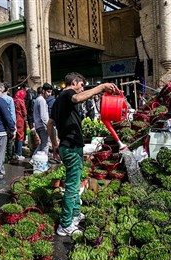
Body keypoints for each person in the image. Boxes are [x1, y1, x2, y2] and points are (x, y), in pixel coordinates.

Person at [47, 72, 118, 236]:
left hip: (67, 146)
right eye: (82, 85)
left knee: (76, 181)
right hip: (71, 147)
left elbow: (50, 124)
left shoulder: (58, 101)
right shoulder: (68, 93)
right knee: (72, 186)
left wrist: (55, 144)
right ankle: (65, 224)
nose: (82, 89)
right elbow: (78, 98)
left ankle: (75, 214)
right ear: (74, 82)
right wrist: (100, 87)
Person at [33, 85, 51, 156]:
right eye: (48, 92)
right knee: (45, 145)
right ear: (43, 91)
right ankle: (43, 163)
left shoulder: (37, 99)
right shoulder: (42, 100)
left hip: (38, 125)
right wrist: (48, 125)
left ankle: (34, 159)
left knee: (42, 144)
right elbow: (44, 116)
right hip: (42, 126)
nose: (49, 94)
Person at [1, 82, 16, 163]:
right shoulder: (9, 99)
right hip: (8, 123)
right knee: (10, 140)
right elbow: (12, 113)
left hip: (0, 123)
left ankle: (3, 157)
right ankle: (9, 157)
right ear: (8, 89)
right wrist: (14, 126)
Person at [13, 87, 27, 160]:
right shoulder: (21, 101)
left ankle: (15, 152)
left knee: (16, 136)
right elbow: (24, 112)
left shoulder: (14, 100)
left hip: (15, 119)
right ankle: (19, 153)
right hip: (20, 119)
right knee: (20, 136)